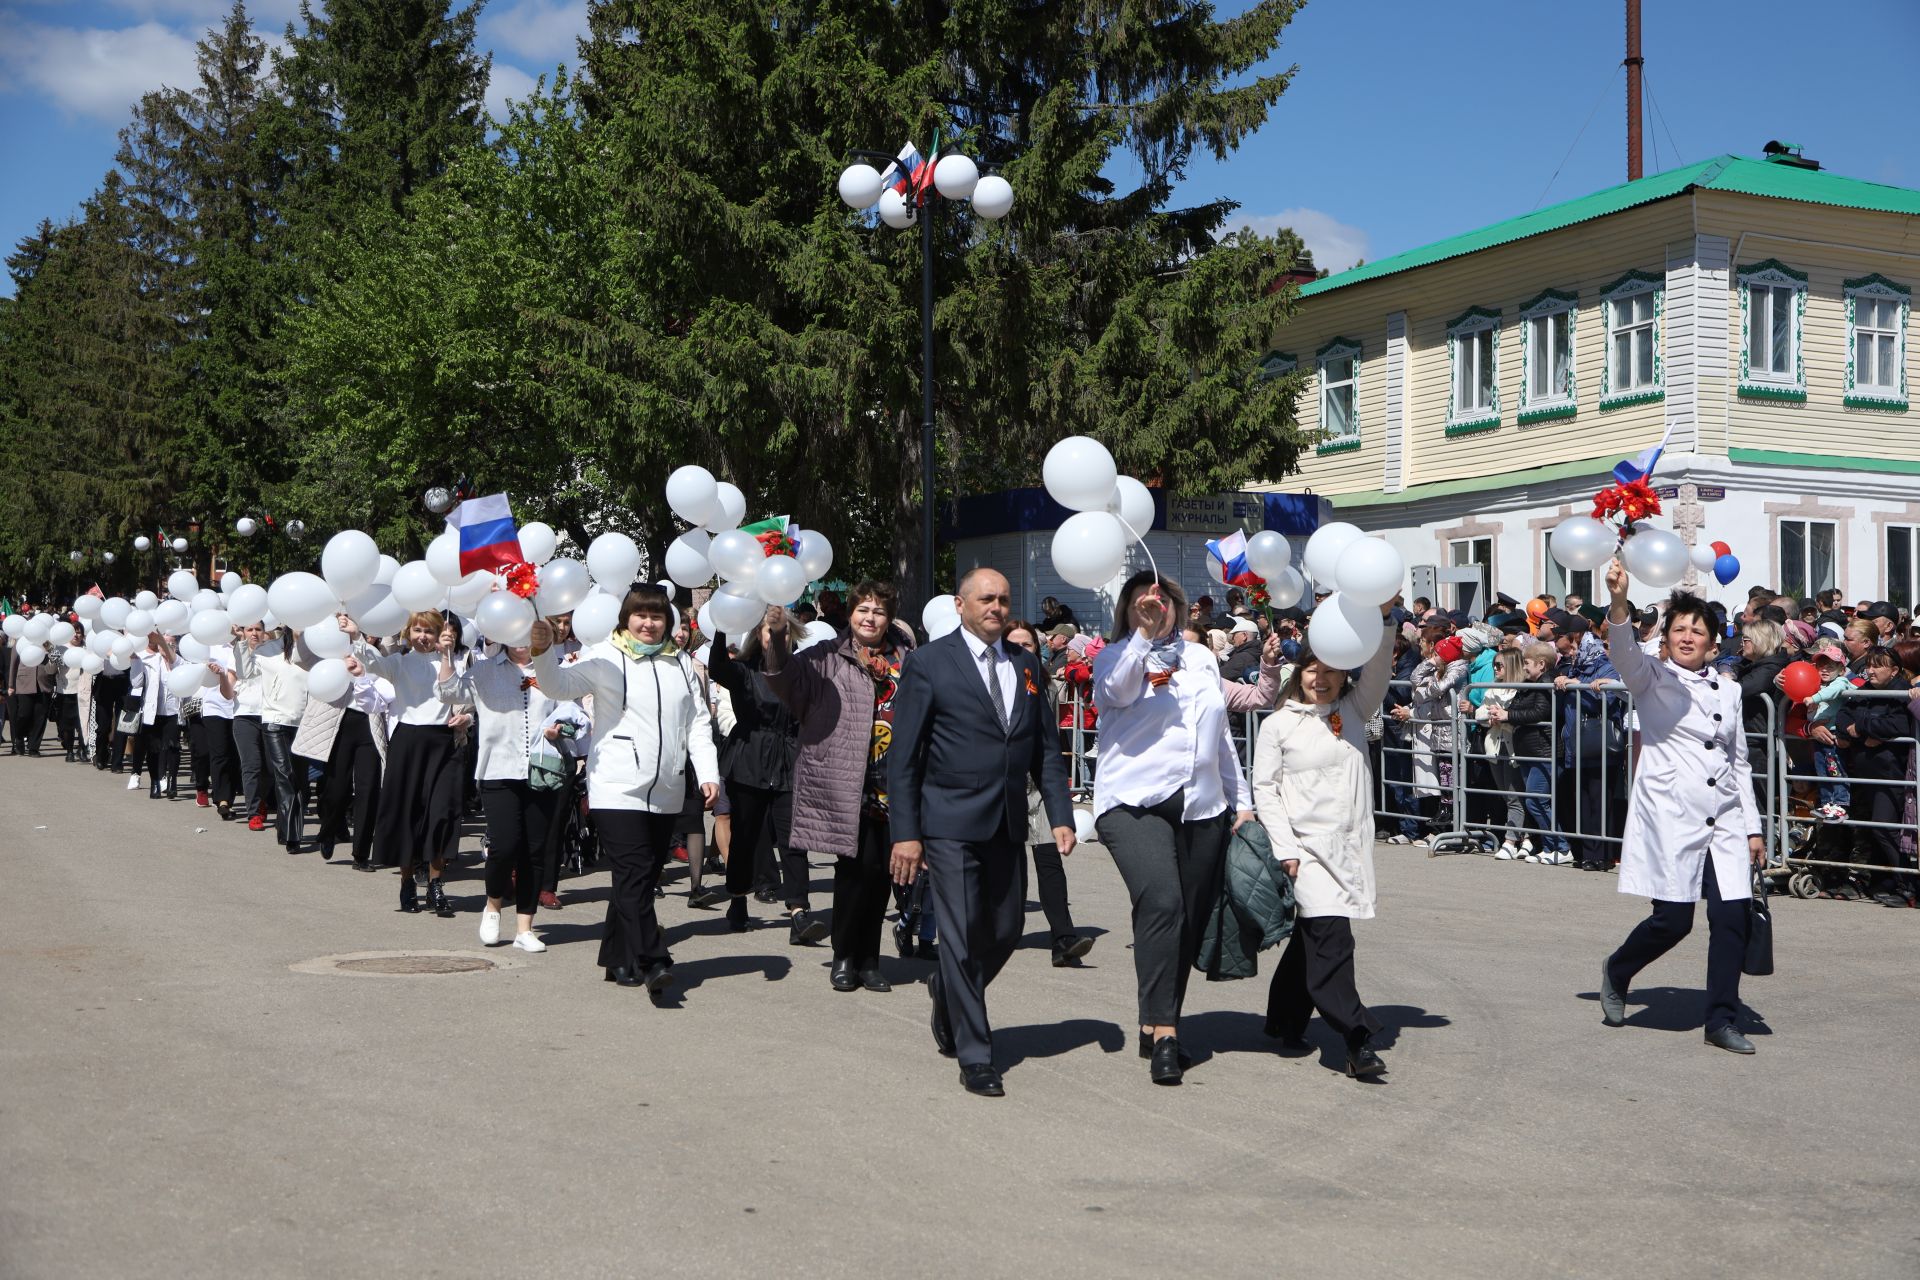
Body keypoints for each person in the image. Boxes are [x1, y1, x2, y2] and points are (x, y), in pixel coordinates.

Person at [888, 568, 1073, 1098]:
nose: (996, 607)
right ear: (960, 604)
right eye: (986, 598)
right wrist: (907, 832)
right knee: (963, 933)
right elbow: (904, 759)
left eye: (1004, 599)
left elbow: (1043, 748)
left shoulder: (1027, 663)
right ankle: (975, 1053)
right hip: (947, 823)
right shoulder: (928, 663)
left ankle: (947, 986)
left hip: (1008, 821)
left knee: (1008, 927)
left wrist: (1060, 813)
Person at [1597, 560, 1764, 1054]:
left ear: (1714, 642)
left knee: (1733, 917)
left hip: (1727, 817)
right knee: (1673, 920)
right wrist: (1621, 602)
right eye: (1678, 630)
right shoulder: (1651, 677)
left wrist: (1753, 828)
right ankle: (1619, 969)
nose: (1687, 636)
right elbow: (1624, 652)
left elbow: (1740, 762)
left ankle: (1720, 1020)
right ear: (1666, 639)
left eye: (1697, 630)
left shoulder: (1730, 689)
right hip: (1673, 813)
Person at [1092, 572, 1252, 1085]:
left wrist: (1241, 800)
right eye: (1145, 602)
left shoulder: (1202, 659)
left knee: (1185, 917)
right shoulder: (1114, 655)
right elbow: (1114, 693)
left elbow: (1219, 734)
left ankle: (1156, 1018)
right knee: (1162, 901)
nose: (1157, 608)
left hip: (1202, 805)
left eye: (1165, 602)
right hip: (1132, 801)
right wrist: (1141, 636)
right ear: (1129, 609)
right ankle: (1166, 1034)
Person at [530, 586, 719, 995]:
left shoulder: (681, 663)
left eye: (657, 616)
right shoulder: (605, 656)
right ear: (626, 618)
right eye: (640, 615)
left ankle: (616, 958)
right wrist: (543, 651)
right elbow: (557, 685)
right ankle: (653, 959)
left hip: (666, 787)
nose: (649, 624)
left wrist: (709, 772)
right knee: (633, 873)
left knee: (640, 877)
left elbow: (698, 723)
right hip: (616, 786)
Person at [1250, 607, 1398, 1079]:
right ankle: (1356, 1037)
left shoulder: (1354, 710)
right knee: (1332, 938)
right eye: (1313, 668)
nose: (1321, 678)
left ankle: (1284, 1018)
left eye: (1331, 669)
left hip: (1349, 845)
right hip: (1305, 848)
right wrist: (1285, 848)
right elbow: (1265, 789)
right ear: (1299, 673)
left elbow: (1378, 669)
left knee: (1313, 935)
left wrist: (1386, 618)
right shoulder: (1279, 725)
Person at [764, 580, 911, 992]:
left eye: (878, 611)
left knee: (885, 875)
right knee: (853, 871)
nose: (870, 618)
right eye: (863, 609)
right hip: (847, 778)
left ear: (889, 617)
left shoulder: (908, 657)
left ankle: (870, 961)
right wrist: (776, 635)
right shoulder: (829, 655)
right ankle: (844, 956)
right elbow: (783, 676)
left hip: (894, 780)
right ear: (850, 613)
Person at [440, 635, 585, 951]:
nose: (520, 643)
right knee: (505, 846)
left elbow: (576, 713)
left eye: (526, 635)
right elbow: (449, 692)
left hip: (542, 770)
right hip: (499, 770)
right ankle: (492, 905)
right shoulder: (484, 669)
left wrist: (559, 725)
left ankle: (525, 927)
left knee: (535, 851)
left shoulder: (553, 669)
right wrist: (447, 654)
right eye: (513, 636)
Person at [707, 610, 824, 944]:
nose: (777, 637)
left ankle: (799, 912)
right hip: (749, 762)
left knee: (794, 842)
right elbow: (717, 668)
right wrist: (721, 627)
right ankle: (738, 899)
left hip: (790, 764)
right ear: (757, 636)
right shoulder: (744, 671)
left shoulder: (802, 674)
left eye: (783, 632)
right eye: (770, 632)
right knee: (744, 839)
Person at [348, 612, 468, 914]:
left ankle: (436, 884)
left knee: (441, 814)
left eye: (430, 631)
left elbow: (457, 692)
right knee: (407, 814)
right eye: (418, 630)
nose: (423, 636)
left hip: (444, 742)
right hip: (408, 743)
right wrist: (355, 635)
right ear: (408, 632)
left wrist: (446, 656)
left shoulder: (453, 661)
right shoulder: (399, 662)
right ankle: (406, 882)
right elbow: (373, 663)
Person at [1005, 621, 1093, 967]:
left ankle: (1064, 938)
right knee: (1007, 866)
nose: (1022, 650)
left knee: (1049, 859)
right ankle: (1003, 932)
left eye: (1028, 644)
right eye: (1014, 644)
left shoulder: (1047, 685)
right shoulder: (987, 682)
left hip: (1039, 782)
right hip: (1004, 784)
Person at [297, 613, 386, 866]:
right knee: (336, 788)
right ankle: (329, 830)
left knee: (368, 789)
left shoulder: (376, 652)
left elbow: (378, 664)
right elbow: (300, 658)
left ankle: (361, 854)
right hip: (339, 723)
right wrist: (301, 630)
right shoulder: (328, 648)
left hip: (369, 723)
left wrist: (358, 637)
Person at [1838, 647, 1911, 907]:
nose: (1870, 670)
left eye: (1878, 665)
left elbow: (1899, 725)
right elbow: (1844, 714)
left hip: (1890, 773)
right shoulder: (1864, 690)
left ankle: (1909, 884)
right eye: (1869, 665)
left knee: (1884, 826)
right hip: (1865, 772)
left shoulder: (1901, 691)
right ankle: (1883, 881)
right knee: (1871, 830)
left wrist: (1862, 726)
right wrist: (1855, 729)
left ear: (1894, 670)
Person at [129, 632, 182, 799]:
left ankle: (172, 782)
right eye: (163, 643)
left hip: (173, 712)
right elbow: (136, 683)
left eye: (171, 644)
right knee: (153, 749)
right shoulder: (149, 661)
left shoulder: (179, 662)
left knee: (173, 747)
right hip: (153, 712)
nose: (167, 647)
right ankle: (155, 783)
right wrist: (135, 661)